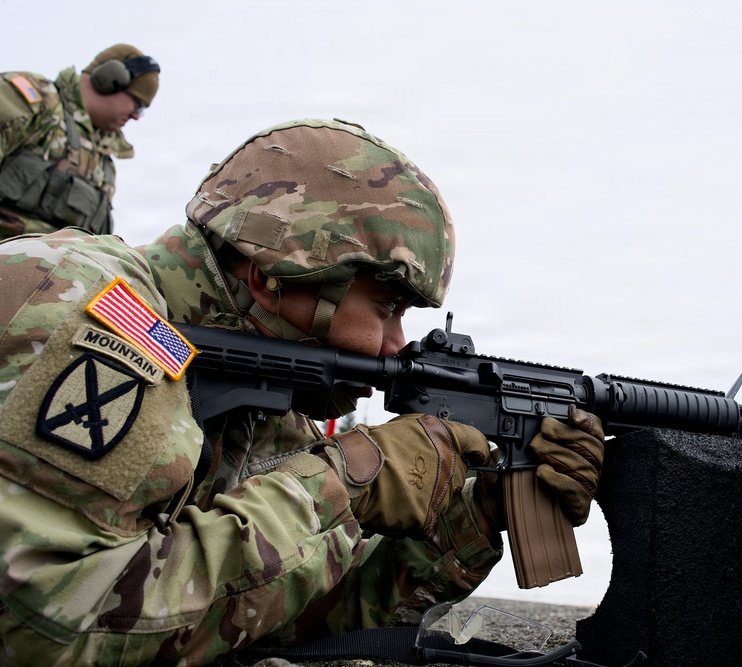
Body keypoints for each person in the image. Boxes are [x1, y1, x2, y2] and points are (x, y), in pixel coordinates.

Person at [0, 118, 604, 665]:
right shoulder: (84, 302)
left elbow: (279, 616)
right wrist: (344, 481)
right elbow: (44, 626)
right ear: (273, 278)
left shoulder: (261, 409)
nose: (397, 345)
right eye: (387, 307)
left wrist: (480, 513)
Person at [0, 43, 160, 239]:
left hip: (61, 267)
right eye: (138, 104)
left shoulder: (104, 164)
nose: (136, 116)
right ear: (109, 79)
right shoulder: (34, 101)